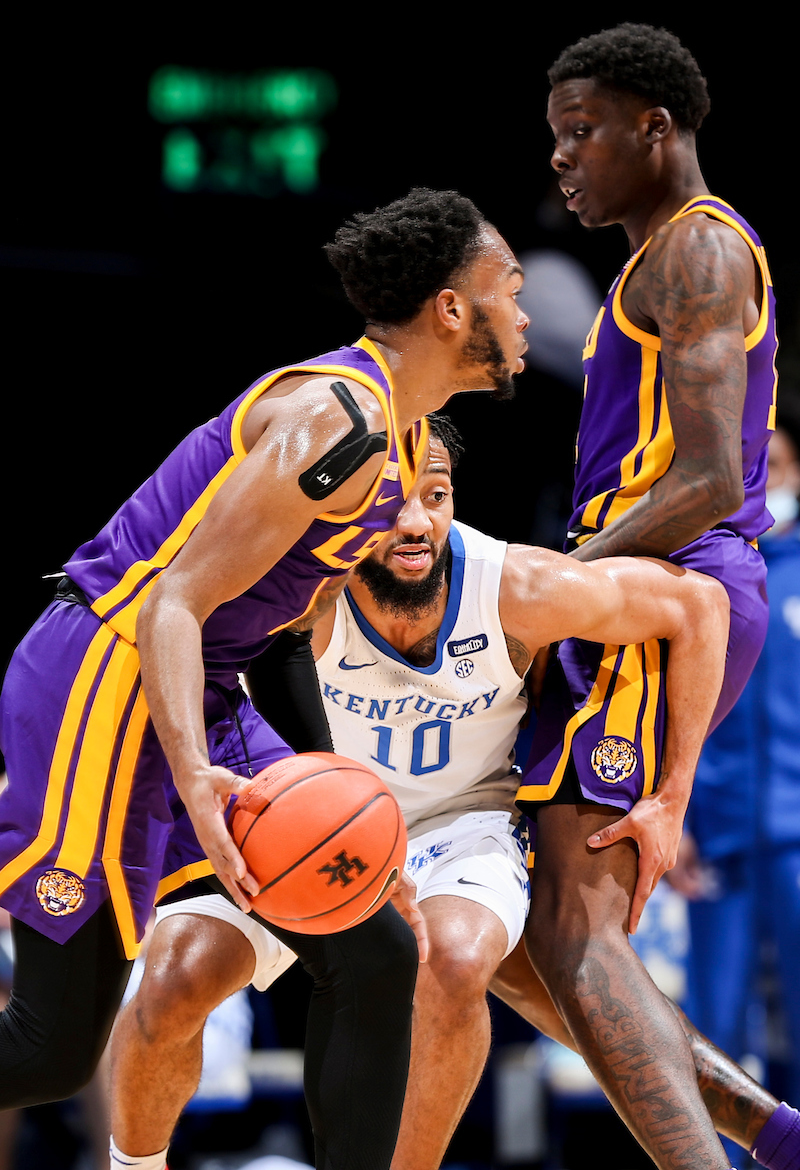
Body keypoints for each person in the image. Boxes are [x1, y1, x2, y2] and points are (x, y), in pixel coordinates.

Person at [0, 187, 530, 1170]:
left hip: (202, 684)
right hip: (102, 679)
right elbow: (172, 602)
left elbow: (279, 634)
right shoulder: (336, 422)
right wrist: (197, 780)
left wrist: (347, 796)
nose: (525, 309)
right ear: (452, 309)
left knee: (374, 947)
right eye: (510, 285)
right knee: (48, 1047)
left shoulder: (400, 443)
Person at [114, 422, 794, 1170]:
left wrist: (672, 795)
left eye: (435, 496)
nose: (415, 521)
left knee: (459, 960)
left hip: (458, 825)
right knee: (174, 985)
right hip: (295, 821)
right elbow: (164, 625)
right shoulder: (297, 589)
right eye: (391, 498)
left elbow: (699, 607)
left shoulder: (513, 585)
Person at [515, 23, 782, 1170]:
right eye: (554, 137)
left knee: (578, 932)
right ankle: (767, 1136)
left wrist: (558, 587)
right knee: (525, 938)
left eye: (581, 132)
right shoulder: (655, 260)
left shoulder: (696, 252)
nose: (563, 159)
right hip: (639, 590)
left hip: (668, 593)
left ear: (652, 128)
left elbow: (713, 476)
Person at [669, 414, 800, 1168]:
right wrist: (677, 815)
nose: (773, 475)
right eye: (761, 465)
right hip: (714, 833)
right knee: (714, 1018)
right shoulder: (706, 582)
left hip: (795, 835)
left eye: (781, 461)